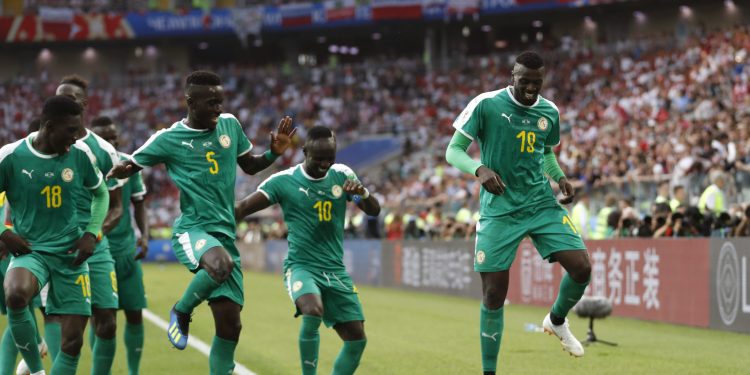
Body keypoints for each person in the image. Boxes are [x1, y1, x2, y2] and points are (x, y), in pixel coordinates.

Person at [107, 71, 295, 374]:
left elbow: (250, 165)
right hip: (193, 230)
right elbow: (131, 164)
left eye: (220, 101)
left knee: (230, 326)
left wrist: (274, 152)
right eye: (211, 102)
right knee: (220, 265)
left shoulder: (230, 126)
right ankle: (181, 311)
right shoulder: (168, 139)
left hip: (225, 234)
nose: (218, 108)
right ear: (190, 102)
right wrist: (112, 173)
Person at [445, 51, 591, 374]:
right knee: (494, 294)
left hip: (540, 203)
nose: (530, 87)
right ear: (512, 76)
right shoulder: (486, 104)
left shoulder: (549, 111)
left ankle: (556, 320)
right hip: (499, 210)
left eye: (536, 82)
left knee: (582, 268)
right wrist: (479, 169)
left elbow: (545, 153)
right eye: (524, 80)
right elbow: (452, 151)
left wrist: (560, 177)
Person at [235, 126, 380, 375]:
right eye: (319, 158)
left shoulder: (342, 175)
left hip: (335, 270)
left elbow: (373, 210)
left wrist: (363, 193)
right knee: (312, 310)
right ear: (304, 152)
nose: (325, 164)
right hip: (301, 267)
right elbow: (241, 209)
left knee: (357, 340)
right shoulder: (283, 181)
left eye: (330, 158)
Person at [0, 95, 109, 375]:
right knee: (15, 294)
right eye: (71, 131)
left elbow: (101, 193)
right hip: (31, 250)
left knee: (72, 342)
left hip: (70, 254)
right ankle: (36, 371)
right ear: (48, 126)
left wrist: (91, 233)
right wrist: (3, 232)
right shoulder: (11, 156)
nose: (76, 138)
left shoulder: (80, 155)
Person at [55, 75, 124, 375]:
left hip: (95, 246)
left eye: (69, 98)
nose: (62, 102)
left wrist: (94, 235)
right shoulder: (47, 144)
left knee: (107, 323)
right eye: (58, 97)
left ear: (83, 104)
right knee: (71, 337)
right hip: (55, 246)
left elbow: (116, 206)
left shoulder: (104, 151)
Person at [92, 116, 149, 375]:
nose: (111, 142)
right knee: (102, 318)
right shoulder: (87, 161)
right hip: (97, 251)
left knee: (135, 312)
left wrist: (144, 235)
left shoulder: (129, 163)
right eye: (105, 137)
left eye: (114, 137)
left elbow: (139, 202)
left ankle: (134, 372)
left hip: (126, 252)